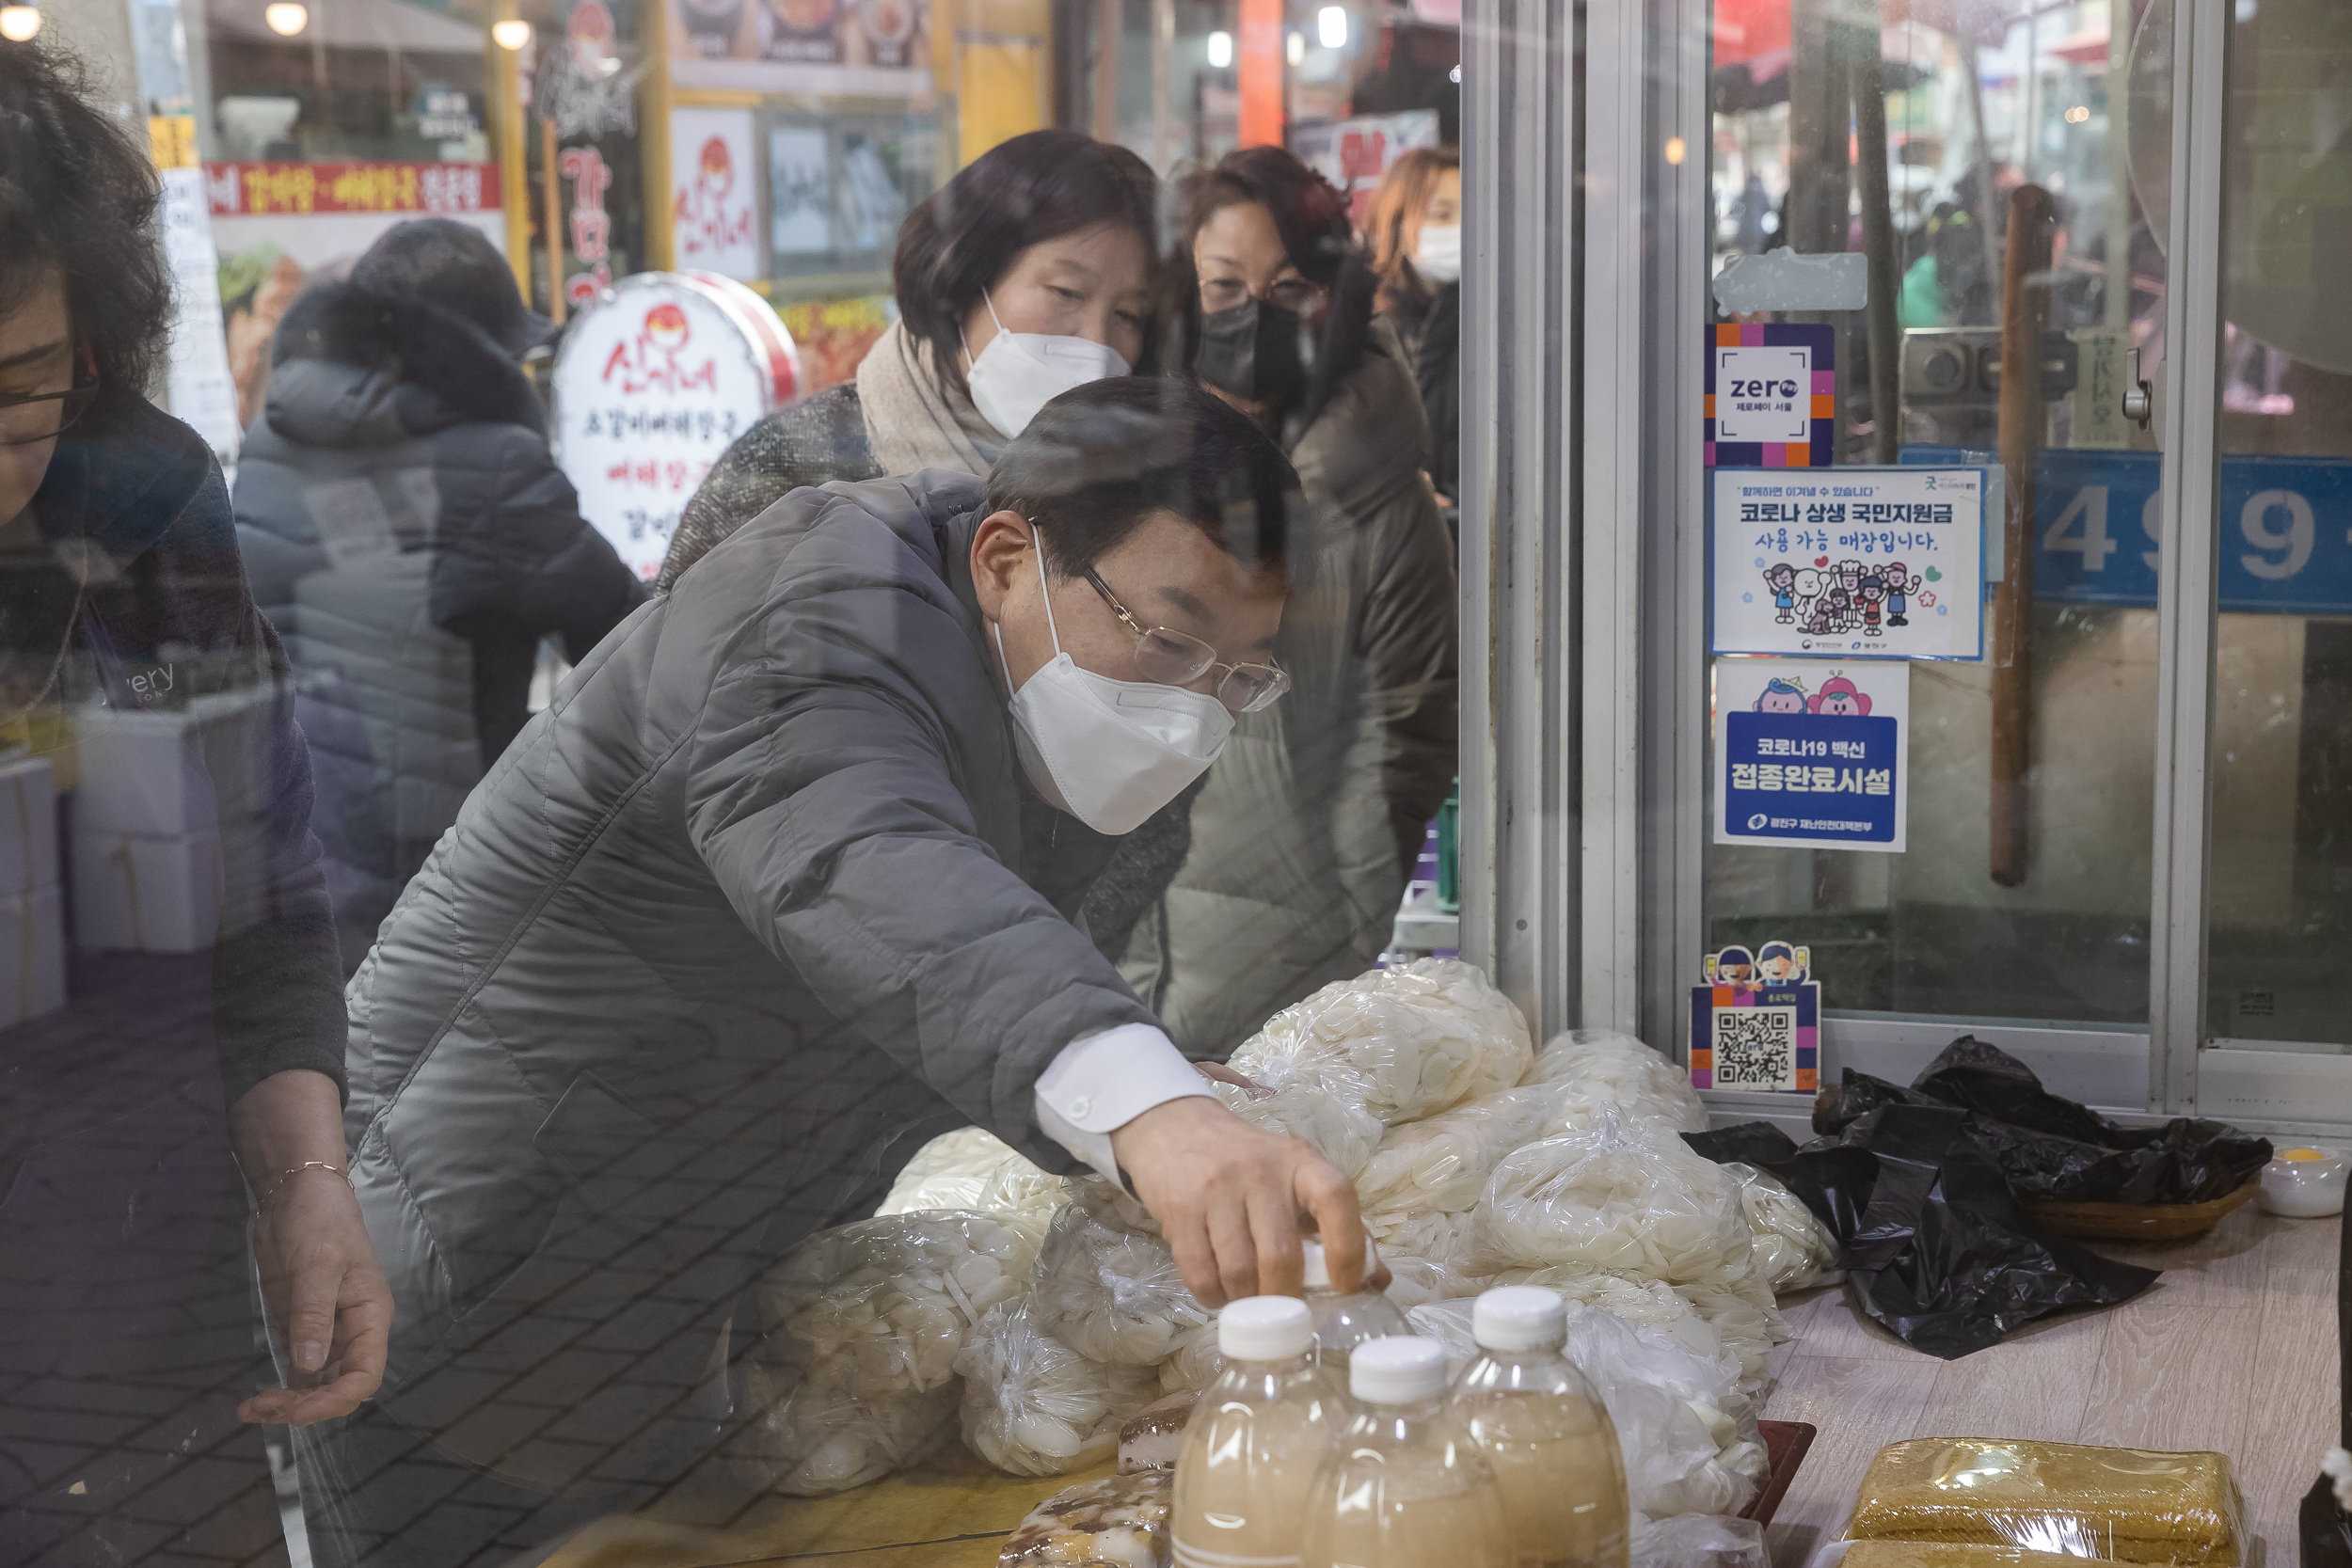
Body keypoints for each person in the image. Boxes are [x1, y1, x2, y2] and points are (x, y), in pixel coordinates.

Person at [296, 378, 1374, 1564]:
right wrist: (1140, 1102)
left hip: (657, 1285)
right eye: (1168, 641)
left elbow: (883, 984)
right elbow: (866, 864)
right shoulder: (815, 613)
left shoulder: (1014, 682)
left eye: (1239, 674)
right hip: (467, 1268)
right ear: (1008, 557)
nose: (1194, 706)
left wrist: (1133, 1093)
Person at [0, 40, 388, 1564]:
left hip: (135, 1295)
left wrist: (306, 1180)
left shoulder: (144, 518)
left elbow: (263, 891)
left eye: (22, 385)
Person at [656, 129, 1184, 962]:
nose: (1095, 341)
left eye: (1128, 315)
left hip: (1012, 980)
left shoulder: (1129, 517)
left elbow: (1148, 788)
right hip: (769, 962)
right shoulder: (796, 470)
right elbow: (673, 732)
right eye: (1063, 292)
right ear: (964, 279)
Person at [231, 218, 645, 974]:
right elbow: (632, 649)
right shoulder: (494, 466)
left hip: (284, 863)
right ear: (474, 354)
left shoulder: (270, 441)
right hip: (446, 881)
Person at [1128, 145, 1458, 1060]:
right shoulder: (1114, 460)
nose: (1251, 314)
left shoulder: (1379, 494)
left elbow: (1404, 740)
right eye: (1222, 286)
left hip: (1282, 973)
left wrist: (1344, 933)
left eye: (1285, 288)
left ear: (1330, 293)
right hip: (1101, 960)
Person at [1365, 146, 1462, 506]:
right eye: (1442, 214)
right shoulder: (1367, 330)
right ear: (1398, 221)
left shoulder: (1499, 329)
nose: (1461, 228)